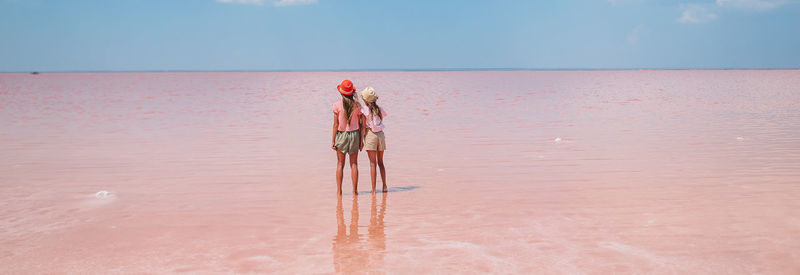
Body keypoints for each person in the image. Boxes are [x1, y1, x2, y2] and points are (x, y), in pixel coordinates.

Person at [331, 80, 365, 196]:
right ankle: (355, 191)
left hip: (341, 134)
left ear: (341, 93)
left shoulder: (336, 105)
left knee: (340, 164)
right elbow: (361, 125)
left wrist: (333, 140)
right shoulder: (358, 106)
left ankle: (339, 191)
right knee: (354, 164)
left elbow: (335, 125)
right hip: (355, 134)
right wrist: (361, 141)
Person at [359, 87, 388, 193]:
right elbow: (380, 121)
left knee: (372, 164)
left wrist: (361, 142)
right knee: (381, 162)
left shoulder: (364, 110)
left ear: (365, 100)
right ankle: (384, 186)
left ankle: (374, 189)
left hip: (370, 135)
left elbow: (363, 128)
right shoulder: (379, 109)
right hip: (380, 135)